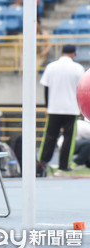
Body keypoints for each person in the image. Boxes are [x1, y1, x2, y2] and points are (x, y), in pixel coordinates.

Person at [38, 45, 85, 174]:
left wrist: (47, 106)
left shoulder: (51, 67)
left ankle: (42, 163)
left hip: (54, 108)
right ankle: (63, 165)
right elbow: (80, 90)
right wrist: (80, 109)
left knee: (50, 137)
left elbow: (46, 88)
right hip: (71, 109)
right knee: (68, 139)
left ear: (61, 52)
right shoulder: (78, 68)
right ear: (74, 54)